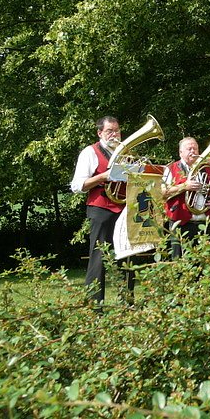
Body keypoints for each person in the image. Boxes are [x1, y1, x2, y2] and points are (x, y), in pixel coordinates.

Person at [70, 115, 132, 303]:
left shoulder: (125, 153)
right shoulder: (89, 152)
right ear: (100, 133)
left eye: (117, 130)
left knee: (126, 257)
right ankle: (94, 306)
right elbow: (77, 185)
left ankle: (127, 303)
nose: (114, 134)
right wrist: (104, 176)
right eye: (109, 131)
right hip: (101, 209)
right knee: (99, 258)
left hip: (124, 209)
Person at [162, 137, 208, 259]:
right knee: (180, 261)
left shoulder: (206, 169)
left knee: (204, 263)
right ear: (180, 152)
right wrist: (184, 186)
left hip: (204, 222)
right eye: (189, 149)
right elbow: (162, 192)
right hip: (180, 222)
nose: (193, 151)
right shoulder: (171, 168)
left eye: (195, 148)